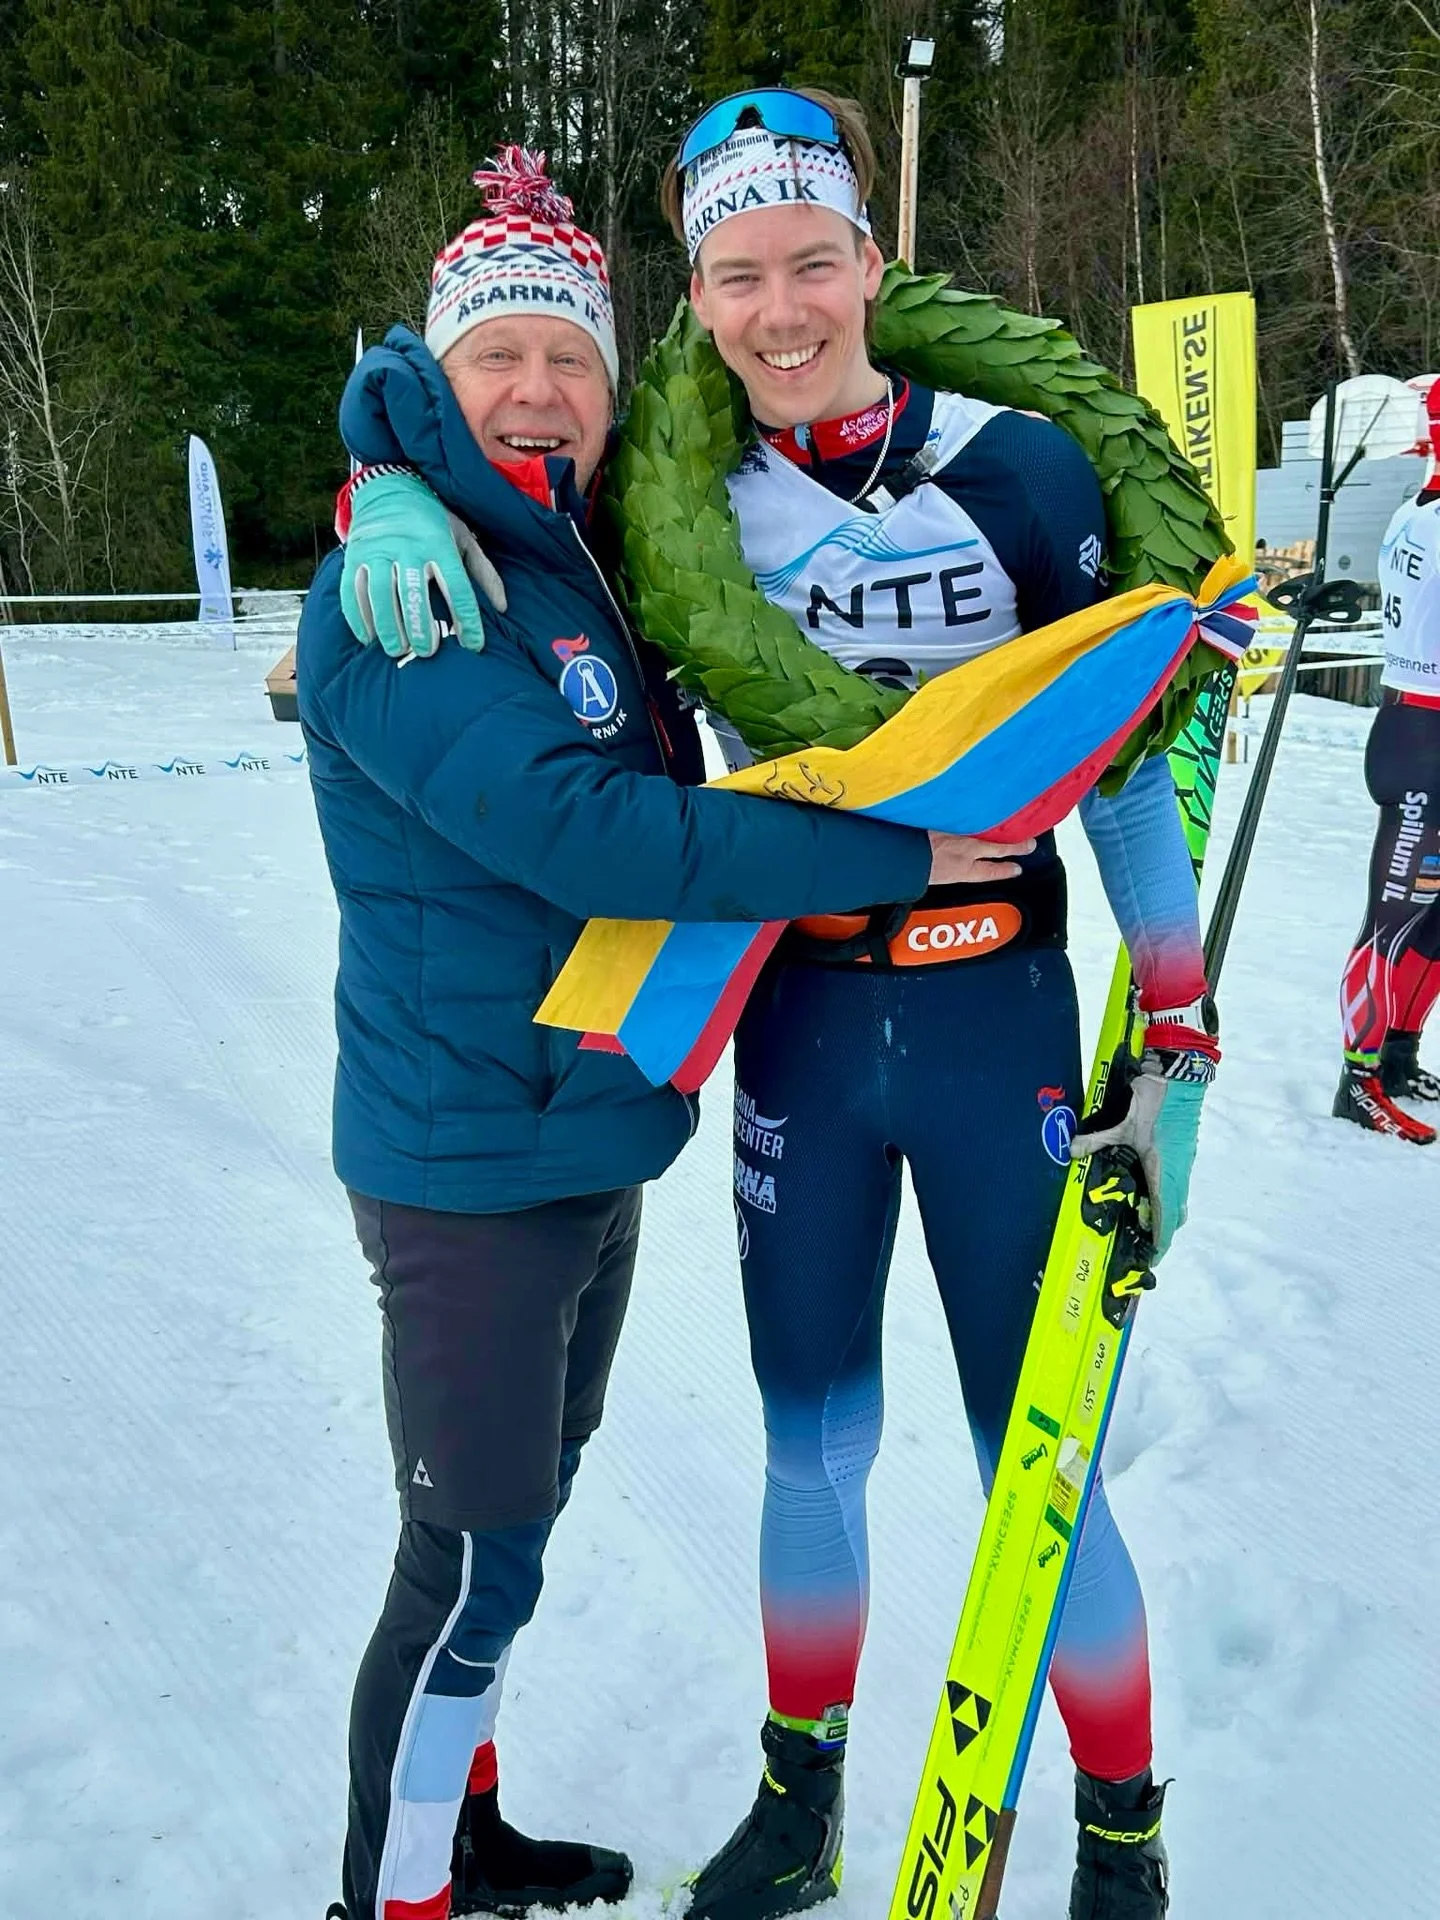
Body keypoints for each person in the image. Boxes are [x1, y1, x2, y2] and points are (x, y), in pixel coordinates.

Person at [337, 98, 1221, 1920]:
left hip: (1001, 1025)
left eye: (812, 260)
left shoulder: (1032, 467)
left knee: (1029, 1451)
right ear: (706, 303)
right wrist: (391, 482)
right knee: (808, 1439)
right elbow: (545, 605)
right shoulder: (684, 507)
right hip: (804, 1033)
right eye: (738, 273)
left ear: (873, 271)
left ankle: (1121, 1833)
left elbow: (1120, 754)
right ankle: (799, 1799)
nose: (782, 305)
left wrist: (1183, 1017)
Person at [1334, 378, 1440, 1144]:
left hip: (1417, 726)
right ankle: (1358, 1080)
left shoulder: (1416, 509)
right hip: (1420, 742)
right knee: (1391, 919)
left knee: (1434, 914)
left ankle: (1398, 1055)